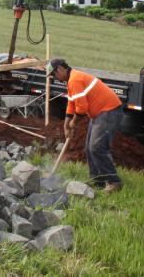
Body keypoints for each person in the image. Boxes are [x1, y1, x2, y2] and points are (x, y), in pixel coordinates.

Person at [47, 58, 123, 194]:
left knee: (97, 147)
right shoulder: (71, 80)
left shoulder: (75, 79)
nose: (55, 78)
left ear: (59, 69)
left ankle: (114, 182)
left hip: (109, 111)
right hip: (99, 113)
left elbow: (81, 108)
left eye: (53, 75)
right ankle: (97, 180)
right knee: (89, 147)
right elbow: (71, 104)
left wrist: (73, 123)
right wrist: (66, 125)